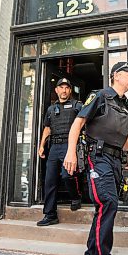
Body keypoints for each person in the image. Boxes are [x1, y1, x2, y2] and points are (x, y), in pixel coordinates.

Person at [63, 61, 128, 255]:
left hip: (116, 160)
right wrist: (70, 152)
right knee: (107, 202)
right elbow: (78, 124)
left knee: (105, 208)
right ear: (116, 76)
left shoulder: (126, 105)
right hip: (97, 158)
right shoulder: (100, 96)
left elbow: (124, 133)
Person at [36, 78, 83, 226]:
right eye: (61, 87)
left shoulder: (77, 106)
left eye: (66, 88)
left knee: (67, 175)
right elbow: (47, 128)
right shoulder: (51, 109)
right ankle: (50, 215)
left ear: (70, 90)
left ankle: (76, 197)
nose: (64, 90)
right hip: (54, 148)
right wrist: (42, 145)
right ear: (56, 90)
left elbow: (85, 122)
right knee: (49, 181)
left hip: (69, 146)